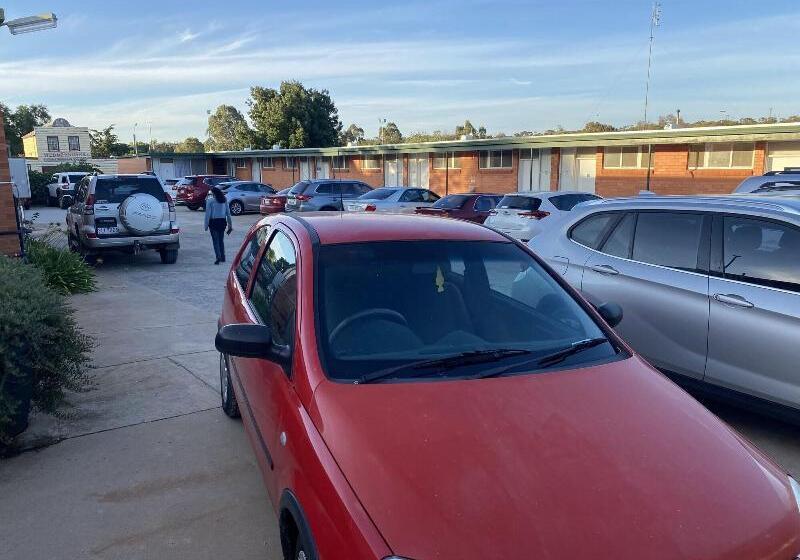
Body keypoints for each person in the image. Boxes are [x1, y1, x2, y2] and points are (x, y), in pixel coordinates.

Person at [204, 186, 233, 264]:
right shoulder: (224, 200)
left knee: (215, 241)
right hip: (222, 222)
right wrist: (230, 225)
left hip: (213, 222)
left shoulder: (210, 201)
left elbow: (208, 214)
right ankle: (223, 257)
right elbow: (228, 213)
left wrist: (206, 226)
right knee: (221, 240)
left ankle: (218, 257)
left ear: (213, 193)